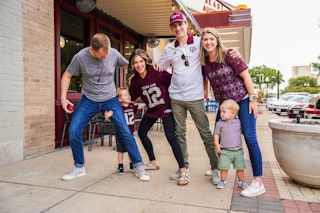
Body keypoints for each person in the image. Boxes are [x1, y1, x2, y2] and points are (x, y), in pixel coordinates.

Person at [157, 11, 240, 183]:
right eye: (174, 25)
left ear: (186, 24)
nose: (178, 28)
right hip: (176, 97)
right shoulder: (169, 49)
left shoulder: (198, 42)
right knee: (179, 134)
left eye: (180, 24)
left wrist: (233, 52)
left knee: (205, 134)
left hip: (195, 97)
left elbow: (214, 49)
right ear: (171, 29)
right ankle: (183, 167)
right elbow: (159, 68)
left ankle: (215, 167)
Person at [60, 33, 150, 181]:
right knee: (74, 130)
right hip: (89, 100)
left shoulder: (113, 54)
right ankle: (79, 166)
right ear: (93, 50)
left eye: (107, 54)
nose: (105, 58)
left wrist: (143, 69)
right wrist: (63, 98)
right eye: (102, 56)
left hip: (110, 99)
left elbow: (130, 64)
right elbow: (67, 76)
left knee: (126, 131)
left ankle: (139, 166)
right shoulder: (80, 57)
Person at [200, 27, 266, 197]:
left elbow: (246, 76)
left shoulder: (229, 54)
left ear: (217, 40)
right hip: (224, 106)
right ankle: (218, 168)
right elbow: (204, 81)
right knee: (217, 136)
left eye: (211, 39)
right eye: (205, 39)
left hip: (242, 101)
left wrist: (252, 99)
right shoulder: (205, 62)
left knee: (250, 137)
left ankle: (258, 181)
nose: (208, 42)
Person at [128, 48, 189, 185]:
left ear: (145, 61)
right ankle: (153, 162)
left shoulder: (157, 72)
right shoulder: (135, 81)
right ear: (132, 65)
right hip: (152, 110)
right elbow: (132, 97)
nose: (139, 65)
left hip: (166, 108)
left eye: (141, 61)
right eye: (135, 62)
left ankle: (183, 170)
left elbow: (174, 82)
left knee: (171, 138)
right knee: (142, 133)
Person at [108, 87, 145, 175]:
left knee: (130, 150)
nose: (128, 96)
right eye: (125, 95)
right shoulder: (118, 108)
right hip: (120, 133)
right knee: (120, 150)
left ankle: (132, 165)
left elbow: (141, 105)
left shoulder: (132, 106)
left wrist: (148, 102)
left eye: (128, 94)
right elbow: (110, 117)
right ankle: (120, 166)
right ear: (119, 99)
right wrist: (107, 116)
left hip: (130, 133)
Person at [213, 99, 248, 190]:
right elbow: (216, 134)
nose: (221, 113)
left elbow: (244, 132)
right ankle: (223, 180)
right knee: (223, 167)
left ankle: (241, 181)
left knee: (240, 167)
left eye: (224, 111)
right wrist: (217, 145)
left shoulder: (239, 122)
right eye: (221, 111)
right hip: (225, 150)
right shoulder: (219, 123)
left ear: (232, 113)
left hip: (238, 150)